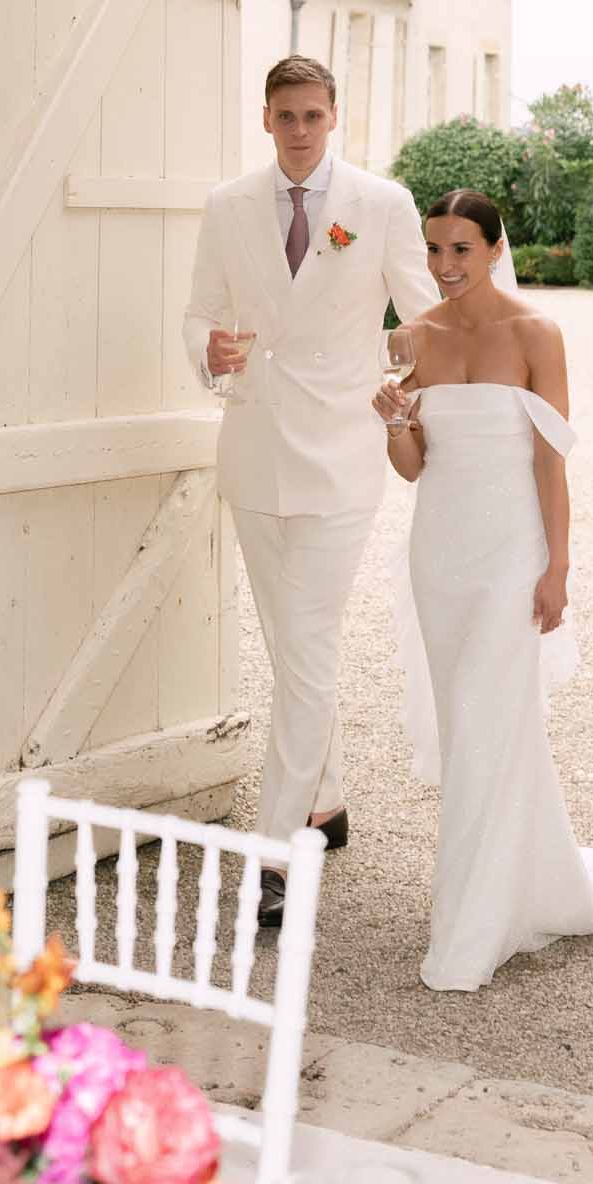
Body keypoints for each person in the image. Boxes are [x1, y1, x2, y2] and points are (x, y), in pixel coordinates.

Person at [374, 188, 593, 992]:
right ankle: (515, 882)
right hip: (439, 552)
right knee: (468, 722)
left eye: (460, 249)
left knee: (494, 709)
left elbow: (548, 463)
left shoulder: (535, 334)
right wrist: (393, 419)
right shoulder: (410, 337)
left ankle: (470, 920)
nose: (444, 266)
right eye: (433, 249)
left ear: (494, 248)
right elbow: (414, 468)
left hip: (508, 552)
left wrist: (557, 565)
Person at [183, 56, 437, 928]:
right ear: (265, 118)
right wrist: (206, 350)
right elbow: (198, 311)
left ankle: (273, 850)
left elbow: (422, 319)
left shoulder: (381, 204)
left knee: (308, 647)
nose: (299, 130)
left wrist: (411, 392)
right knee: (292, 648)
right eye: (285, 115)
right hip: (254, 450)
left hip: (338, 455)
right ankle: (324, 803)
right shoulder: (227, 207)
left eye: (313, 115)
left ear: (334, 117)